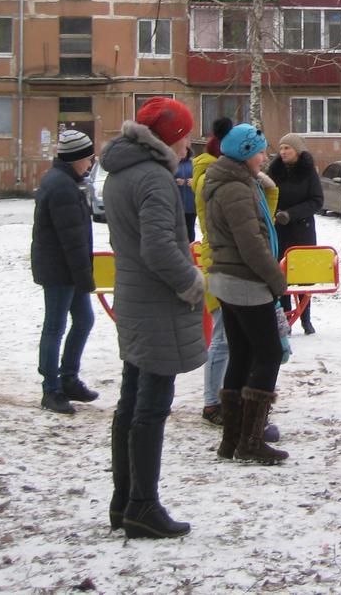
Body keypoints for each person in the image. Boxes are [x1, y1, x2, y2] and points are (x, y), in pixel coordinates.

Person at [99, 97, 205, 539]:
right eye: (184, 136)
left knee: (130, 400)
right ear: (168, 138)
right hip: (157, 305)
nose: (188, 146)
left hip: (133, 298)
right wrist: (191, 282)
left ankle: (124, 501)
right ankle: (142, 505)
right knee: (151, 406)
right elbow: (159, 248)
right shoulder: (155, 179)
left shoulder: (120, 173)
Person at [201, 123, 290, 466]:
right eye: (260, 152)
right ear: (245, 153)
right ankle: (250, 440)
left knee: (241, 354)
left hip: (228, 279)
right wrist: (276, 280)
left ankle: (232, 439)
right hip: (245, 281)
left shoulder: (230, 181)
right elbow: (250, 244)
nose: (264, 158)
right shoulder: (236, 188)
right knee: (268, 354)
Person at [30, 128, 98, 415]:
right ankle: (51, 389)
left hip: (67, 268)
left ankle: (68, 378)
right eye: (88, 157)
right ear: (75, 158)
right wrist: (84, 277)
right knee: (54, 327)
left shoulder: (67, 182)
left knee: (84, 319)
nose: (91, 162)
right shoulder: (62, 187)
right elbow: (71, 239)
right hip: (60, 270)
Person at [192, 117, 233, 426]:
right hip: (218, 262)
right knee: (221, 336)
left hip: (220, 260)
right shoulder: (211, 177)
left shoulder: (210, 173)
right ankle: (211, 402)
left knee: (227, 335)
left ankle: (221, 396)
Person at [268, 133, 324, 334]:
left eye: (287, 148)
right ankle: (285, 318)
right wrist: (275, 214)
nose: (283, 152)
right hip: (279, 231)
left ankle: (305, 319)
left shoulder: (308, 172)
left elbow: (317, 201)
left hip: (302, 231)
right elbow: (268, 196)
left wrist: (291, 214)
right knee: (282, 277)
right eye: (281, 148)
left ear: (298, 151)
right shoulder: (274, 171)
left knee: (303, 276)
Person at [175, 146, 196, 242]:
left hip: (191, 204)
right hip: (177, 204)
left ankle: (190, 248)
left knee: (190, 229)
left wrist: (194, 181)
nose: (183, 152)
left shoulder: (193, 163)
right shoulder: (173, 164)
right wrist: (175, 181)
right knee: (177, 231)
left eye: (185, 150)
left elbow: (201, 178)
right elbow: (165, 179)